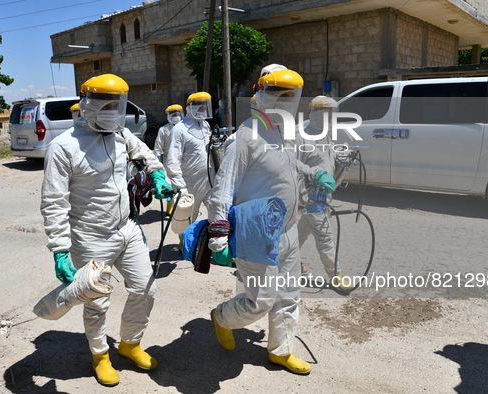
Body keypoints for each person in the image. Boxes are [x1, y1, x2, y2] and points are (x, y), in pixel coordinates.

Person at [40, 74, 173, 387]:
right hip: (89, 237)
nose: (114, 111)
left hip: (127, 228)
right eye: (107, 104)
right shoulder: (63, 147)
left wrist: (157, 174)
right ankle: (100, 355)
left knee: (145, 288)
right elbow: (54, 202)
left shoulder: (120, 134)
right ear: (88, 104)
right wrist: (60, 248)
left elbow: (145, 152)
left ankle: (129, 344)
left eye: (118, 104)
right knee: (96, 302)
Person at [205, 68, 336, 375]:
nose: (285, 102)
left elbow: (289, 163)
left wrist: (312, 173)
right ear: (261, 94)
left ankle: (281, 350)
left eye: (291, 96)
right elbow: (222, 191)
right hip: (256, 233)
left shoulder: (282, 132)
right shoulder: (245, 138)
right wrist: (218, 235)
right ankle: (222, 316)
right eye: (279, 95)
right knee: (261, 299)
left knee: (289, 295)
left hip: (288, 228)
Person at [296, 96, 351, 289]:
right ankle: (334, 274)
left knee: (299, 234)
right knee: (324, 236)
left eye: (331, 113)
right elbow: (291, 162)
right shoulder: (300, 133)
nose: (329, 117)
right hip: (309, 194)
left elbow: (324, 156)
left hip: (322, 193)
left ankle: (288, 263)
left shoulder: (325, 133)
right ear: (315, 113)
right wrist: (314, 174)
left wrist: (340, 155)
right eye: (325, 113)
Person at [166, 92, 215, 225]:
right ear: (191, 107)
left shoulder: (205, 126)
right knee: (187, 221)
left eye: (205, 107)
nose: (204, 110)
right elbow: (172, 160)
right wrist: (180, 186)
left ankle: (210, 243)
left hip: (209, 180)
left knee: (217, 212)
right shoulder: (179, 129)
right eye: (201, 107)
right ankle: (185, 245)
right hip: (190, 184)